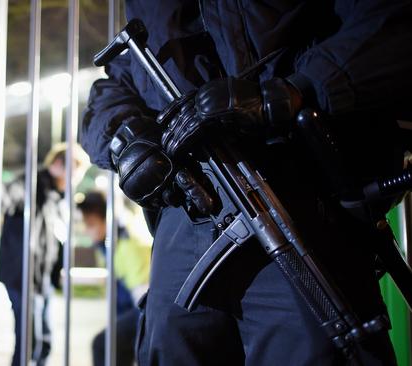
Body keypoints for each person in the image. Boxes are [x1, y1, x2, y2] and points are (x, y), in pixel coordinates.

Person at [81, 1, 412, 365]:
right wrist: (125, 139)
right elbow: (119, 83)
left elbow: (389, 22)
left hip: (299, 196)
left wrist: (290, 92)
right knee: (172, 345)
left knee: (318, 348)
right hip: (187, 202)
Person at [0, 143, 88, 366]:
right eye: (74, 171)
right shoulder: (31, 185)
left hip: (44, 276)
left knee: (45, 338)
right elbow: (7, 194)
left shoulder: (58, 198)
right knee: (30, 339)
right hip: (23, 274)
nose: (75, 179)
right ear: (58, 165)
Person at [77, 191, 150, 366]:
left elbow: (143, 297)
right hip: (133, 309)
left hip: (146, 309)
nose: (86, 231)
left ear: (106, 220)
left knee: (102, 344)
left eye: (91, 224)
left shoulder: (127, 244)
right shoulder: (108, 245)